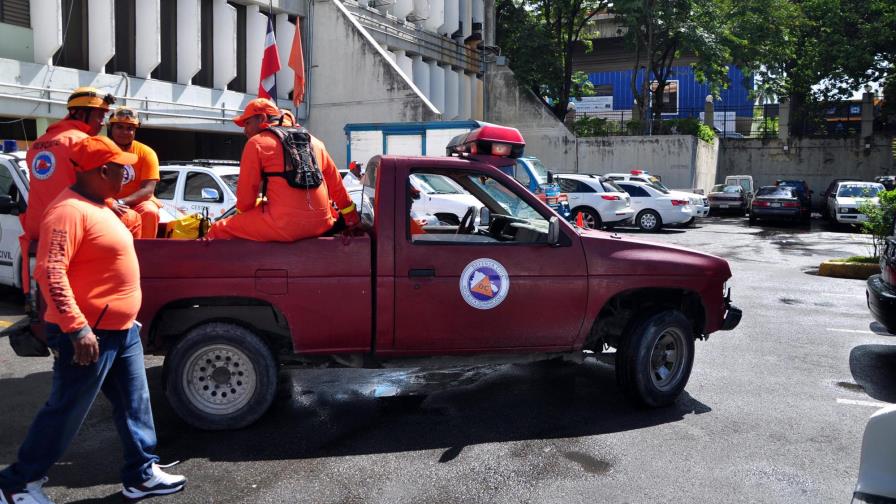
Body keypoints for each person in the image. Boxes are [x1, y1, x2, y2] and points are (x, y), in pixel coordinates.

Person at [0, 136, 186, 504]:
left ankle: (142, 473)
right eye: (122, 168)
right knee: (66, 409)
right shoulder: (67, 212)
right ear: (103, 170)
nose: (127, 173)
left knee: (135, 404)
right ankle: (17, 483)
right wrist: (76, 327)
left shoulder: (101, 205)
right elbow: (51, 272)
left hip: (119, 329)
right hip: (88, 333)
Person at [20, 88, 140, 294]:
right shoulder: (84, 142)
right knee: (133, 218)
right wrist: (111, 204)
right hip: (73, 221)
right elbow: (96, 185)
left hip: (37, 225)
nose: (102, 122)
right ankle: (127, 281)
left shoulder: (38, 144)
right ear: (80, 113)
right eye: (99, 115)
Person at [207, 98, 360, 241]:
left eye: (247, 123)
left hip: (284, 225)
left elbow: (245, 201)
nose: (244, 131)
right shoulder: (316, 142)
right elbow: (337, 187)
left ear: (261, 119)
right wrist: (352, 219)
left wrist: (242, 217)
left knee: (217, 229)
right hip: (323, 223)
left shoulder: (256, 144)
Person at [106, 106, 163, 238]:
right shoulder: (100, 149)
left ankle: (146, 254)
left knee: (150, 211)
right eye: (119, 127)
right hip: (108, 201)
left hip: (138, 203)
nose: (124, 132)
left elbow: (148, 190)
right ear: (111, 128)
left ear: (135, 130)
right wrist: (111, 202)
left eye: (129, 128)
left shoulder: (146, 153)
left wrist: (121, 202)